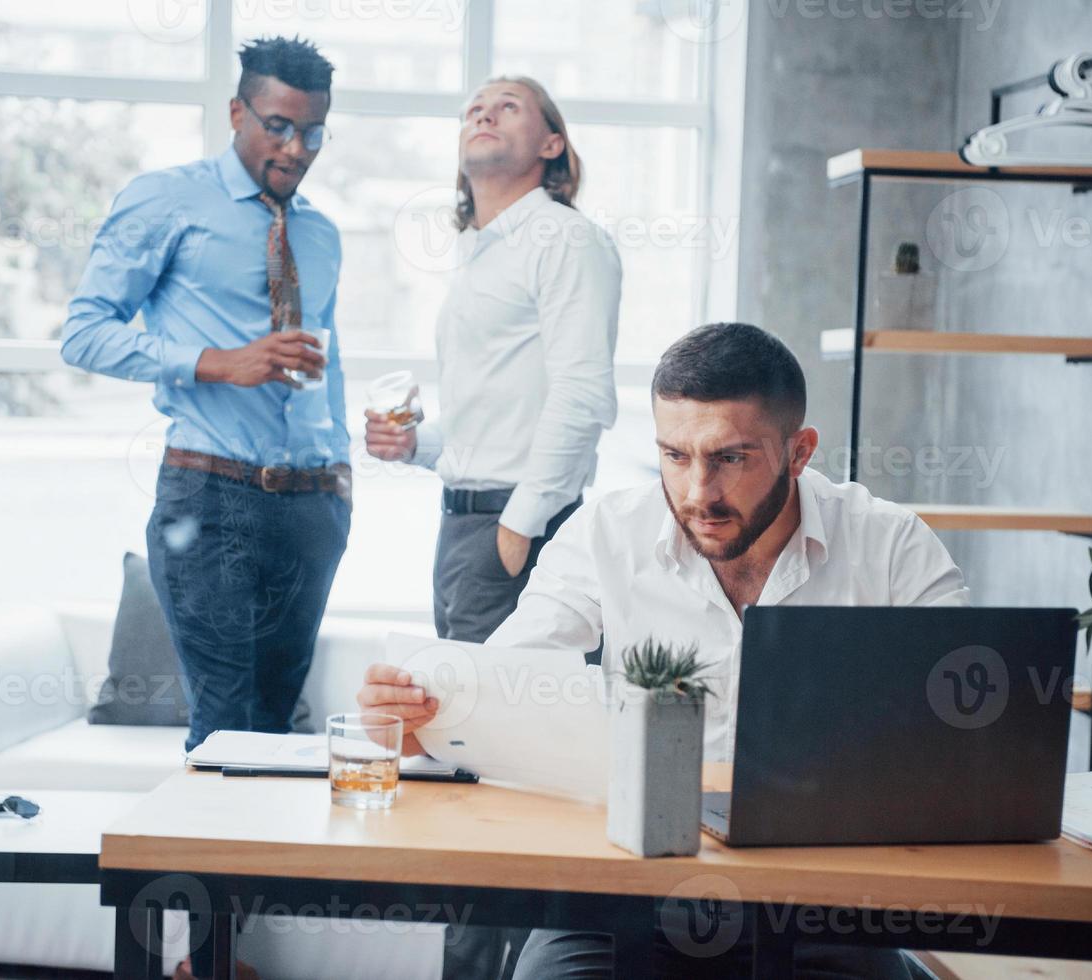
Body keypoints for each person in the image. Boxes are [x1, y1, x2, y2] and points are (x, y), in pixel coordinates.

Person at [357, 322, 969, 977]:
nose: (697, 493)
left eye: (729, 458)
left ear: (798, 451)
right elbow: (506, 679)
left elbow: (968, 728)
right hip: (622, 903)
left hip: (827, 909)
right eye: (674, 456)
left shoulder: (888, 543)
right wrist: (426, 718)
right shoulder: (607, 530)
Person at [61, 36, 349, 755]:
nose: (295, 148)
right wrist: (219, 363)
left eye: (312, 132)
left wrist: (339, 469)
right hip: (212, 498)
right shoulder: (168, 199)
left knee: (278, 730)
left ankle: (269, 873)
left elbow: (325, 361)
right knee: (226, 730)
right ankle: (202, 873)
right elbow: (84, 334)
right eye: (277, 126)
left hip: (312, 507)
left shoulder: (320, 232)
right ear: (235, 112)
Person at [364, 74, 621, 644]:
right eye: (472, 110)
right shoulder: (482, 255)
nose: (483, 115)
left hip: (515, 526)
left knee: (498, 726)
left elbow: (583, 393)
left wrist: (517, 528)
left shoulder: (564, 238)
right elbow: (488, 420)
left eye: (508, 107)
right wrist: (415, 444)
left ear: (551, 144)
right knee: (466, 725)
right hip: (464, 526)